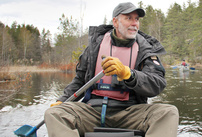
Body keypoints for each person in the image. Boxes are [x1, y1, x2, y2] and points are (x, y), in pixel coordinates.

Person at [44, 2, 179, 137]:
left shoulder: (146, 49)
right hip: (92, 112)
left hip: (130, 113)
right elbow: (80, 81)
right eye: (128, 18)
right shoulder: (95, 46)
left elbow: (157, 84)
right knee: (55, 113)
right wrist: (62, 100)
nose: (134, 23)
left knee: (168, 112)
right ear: (115, 22)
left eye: (136, 19)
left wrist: (129, 74)